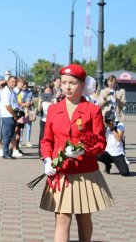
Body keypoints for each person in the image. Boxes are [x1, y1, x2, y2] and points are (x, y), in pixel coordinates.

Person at [40, 64, 114, 242]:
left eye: (72, 83)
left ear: (83, 85)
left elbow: (100, 143)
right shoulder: (53, 109)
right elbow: (46, 140)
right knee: (62, 218)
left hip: (85, 172)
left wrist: (81, 151)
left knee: (84, 217)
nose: (67, 87)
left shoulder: (93, 110)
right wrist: (48, 160)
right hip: (61, 172)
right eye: (64, 83)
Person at [97, 111, 130, 176]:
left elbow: (119, 138)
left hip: (117, 153)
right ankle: (107, 164)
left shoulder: (119, 125)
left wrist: (111, 128)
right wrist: (103, 125)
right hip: (107, 152)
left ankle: (120, 163)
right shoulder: (104, 126)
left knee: (125, 173)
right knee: (97, 155)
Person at [0, 76, 20, 160]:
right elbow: (7, 106)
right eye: (12, 81)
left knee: (11, 134)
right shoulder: (5, 91)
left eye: (15, 82)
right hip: (8, 115)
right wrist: (14, 115)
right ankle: (5, 152)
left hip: (12, 115)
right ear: (8, 82)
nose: (14, 83)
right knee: (7, 135)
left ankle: (9, 151)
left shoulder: (12, 91)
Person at [37, 84, 56, 159]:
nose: (48, 92)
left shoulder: (53, 99)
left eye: (49, 91)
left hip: (51, 121)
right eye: (47, 91)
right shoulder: (42, 99)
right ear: (44, 91)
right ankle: (42, 153)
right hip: (43, 120)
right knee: (43, 137)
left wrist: (54, 102)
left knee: (51, 137)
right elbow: (39, 110)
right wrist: (40, 103)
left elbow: (56, 109)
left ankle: (50, 152)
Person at [19, 82, 34, 147]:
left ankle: (28, 141)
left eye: (26, 85)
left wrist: (31, 103)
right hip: (21, 110)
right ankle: (20, 140)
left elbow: (32, 101)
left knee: (28, 127)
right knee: (21, 127)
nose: (25, 86)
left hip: (28, 110)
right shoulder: (19, 92)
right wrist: (23, 104)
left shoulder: (30, 92)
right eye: (23, 85)